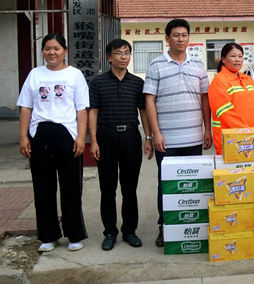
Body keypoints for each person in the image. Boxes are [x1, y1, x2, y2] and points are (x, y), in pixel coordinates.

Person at [17, 33, 89, 252]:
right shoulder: (35, 74)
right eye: (47, 48)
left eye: (56, 48)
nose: (52, 53)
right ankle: (48, 235)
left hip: (67, 133)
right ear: (43, 51)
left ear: (65, 51)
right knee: (43, 187)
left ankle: (74, 235)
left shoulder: (75, 75)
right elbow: (26, 107)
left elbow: (82, 109)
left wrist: (81, 137)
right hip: (40, 133)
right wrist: (23, 136)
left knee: (71, 187)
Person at [144, 19, 213, 248]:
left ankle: (191, 229)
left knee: (193, 183)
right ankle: (165, 228)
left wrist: (207, 129)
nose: (180, 39)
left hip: (193, 138)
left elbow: (205, 99)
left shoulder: (199, 65)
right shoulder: (156, 65)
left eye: (184, 35)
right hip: (167, 139)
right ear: (167, 38)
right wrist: (155, 133)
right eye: (176, 35)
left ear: (188, 38)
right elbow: (149, 101)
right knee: (166, 185)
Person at [89, 39, 152, 251]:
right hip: (105, 138)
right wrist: (93, 141)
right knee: (107, 189)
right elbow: (93, 112)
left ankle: (129, 231)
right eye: (118, 53)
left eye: (127, 52)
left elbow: (144, 111)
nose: (123, 57)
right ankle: (109, 232)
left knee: (129, 188)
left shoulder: (137, 83)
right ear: (109, 57)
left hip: (130, 138)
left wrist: (148, 137)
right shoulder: (98, 83)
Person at [208, 43, 254, 154]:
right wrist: (247, 131)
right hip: (232, 141)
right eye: (233, 56)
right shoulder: (219, 81)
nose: (237, 60)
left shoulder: (248, 80)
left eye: (240, 56)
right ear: (223, 59)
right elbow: (225, 112)